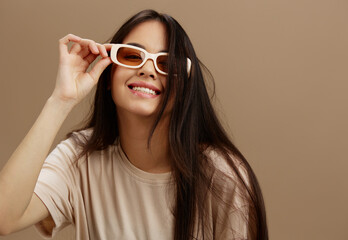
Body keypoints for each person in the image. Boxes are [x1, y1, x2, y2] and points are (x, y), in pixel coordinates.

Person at [0, 9, 268, 240]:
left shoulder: (221, 176)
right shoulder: (79, 159)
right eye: (131, 56)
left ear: (185, 87)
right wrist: (61, 100)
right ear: (108, 74)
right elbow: (4, 218)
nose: (148, 70)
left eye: (167, 63)